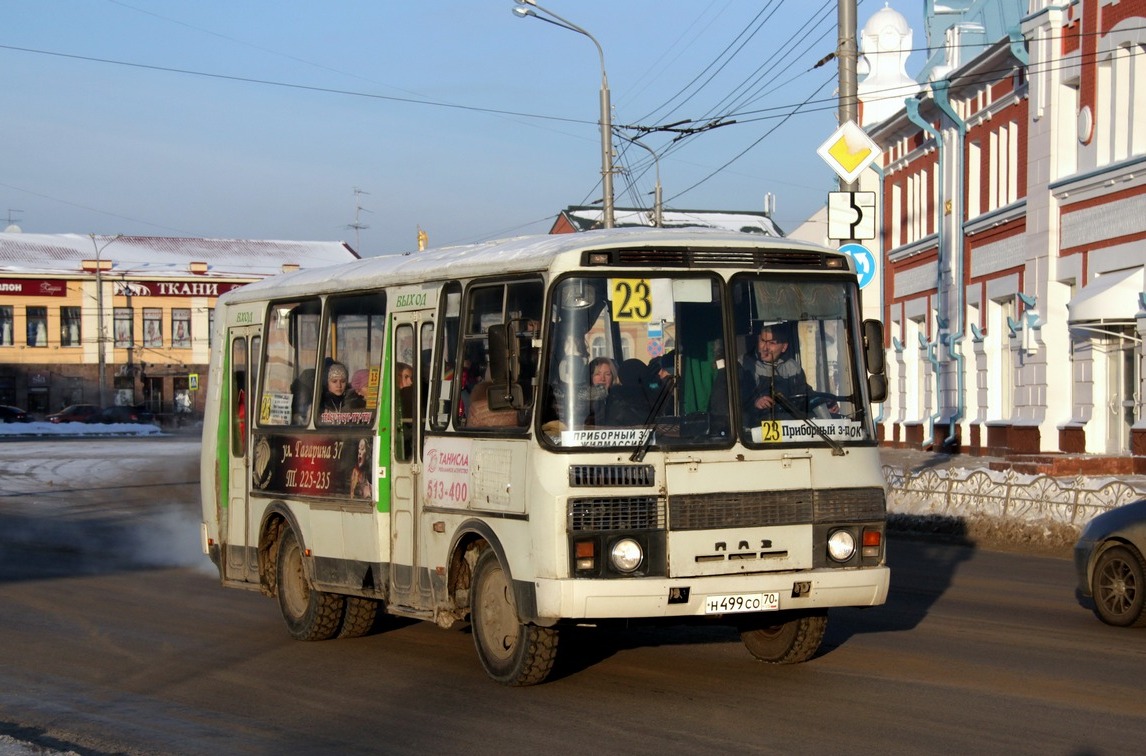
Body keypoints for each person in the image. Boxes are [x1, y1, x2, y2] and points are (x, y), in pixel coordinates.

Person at [740, 322, 811, 422]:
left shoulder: (792, 367)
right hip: (753, 428)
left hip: (788, 427)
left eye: (772, 343)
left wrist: (826, 405)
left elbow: (805, 395)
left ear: (784, 347)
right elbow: (732, 402)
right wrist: (755, 403)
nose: (765, 348)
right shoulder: (742, 365)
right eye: (763, 341)